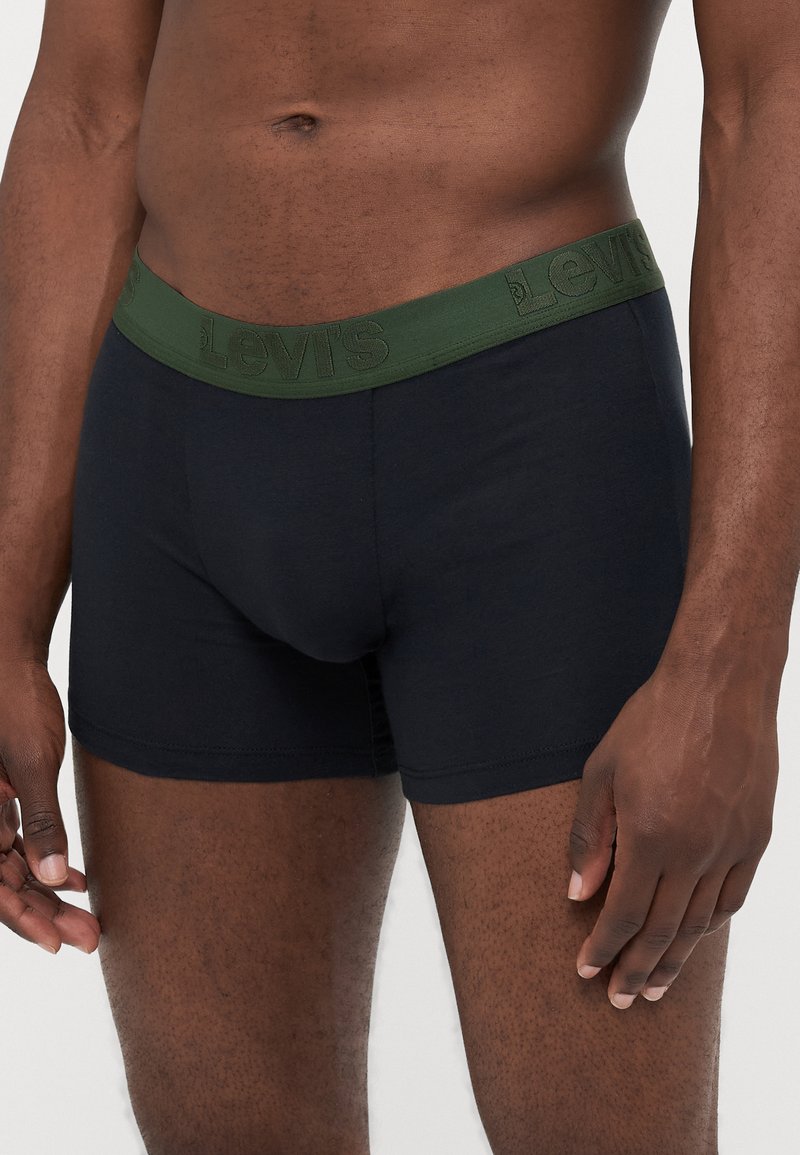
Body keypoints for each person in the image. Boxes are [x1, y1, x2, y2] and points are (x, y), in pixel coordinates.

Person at [0, 0, 795, 1152]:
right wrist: (8, 618)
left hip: (524, 442)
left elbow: (771, 96)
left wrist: (728, 668)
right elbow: (86, 104)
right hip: (172, 438)